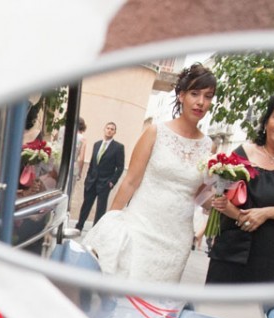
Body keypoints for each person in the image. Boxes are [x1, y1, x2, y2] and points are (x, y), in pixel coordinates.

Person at [82, 63, 216, 283]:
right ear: (181, 95)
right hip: (141, 229)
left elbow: (201, 196)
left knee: (156, 304)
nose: (201, 102)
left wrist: (221, 196)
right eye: (195, 94)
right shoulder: (155, 132)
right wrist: (109, 224)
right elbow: (131, 182)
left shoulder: (209, 147)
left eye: (208, 96)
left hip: (177, 240)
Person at [205, 92, 274, 284]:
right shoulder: (243, 152)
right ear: (266, 121)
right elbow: (220, 194)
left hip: (269, 252)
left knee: (252, 311)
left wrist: (265, 213)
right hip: (231, 243)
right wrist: (237, 214)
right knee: (214, 308)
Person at [74, 121, 125, 231]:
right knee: (86, 205)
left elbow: (120, 167)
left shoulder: (118, 147)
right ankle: (79, 226)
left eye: (112, 129)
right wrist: (87, 178)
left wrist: (112, 182)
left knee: (100, 209)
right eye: (108, 128)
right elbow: (93, 163)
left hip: (105, 183)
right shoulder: (97, 144)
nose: (109, 130)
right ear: (104, 129)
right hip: (91, 181)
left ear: (115, 132)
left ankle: (95, 230)